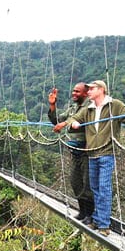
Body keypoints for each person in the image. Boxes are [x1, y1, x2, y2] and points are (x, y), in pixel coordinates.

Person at [65, 80, 125, 236]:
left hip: (107, 153)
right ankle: (96, 219)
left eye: (92, 89)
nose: (88, 92)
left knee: (104, 188)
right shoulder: (89, 109)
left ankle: (104, 225)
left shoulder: (114, 105)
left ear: (101, 89)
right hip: (92, 153)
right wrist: (73, 124)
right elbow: (73, 118)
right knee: (95, 189)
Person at [48, 83, 94, 223]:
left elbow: (79, 119)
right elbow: (57, 121)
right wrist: (52, 105)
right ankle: (82, 211)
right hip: (75, 151)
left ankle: (90, 215)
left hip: (87, 150)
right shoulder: (73, 108)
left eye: (77, 91)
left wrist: (65, 124)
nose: (74, 93)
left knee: (87, 184)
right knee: (75, 182)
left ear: (85, 93)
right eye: (73, 91)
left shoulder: (89, 107)